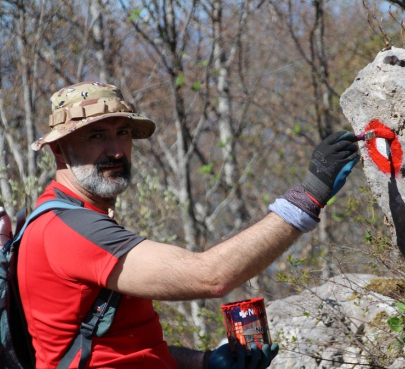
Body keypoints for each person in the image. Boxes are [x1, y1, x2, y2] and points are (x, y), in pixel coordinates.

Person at [18, 82, 360, 368]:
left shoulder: (76, 217)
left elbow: (124, 346)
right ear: (60, 150)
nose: (117, 150)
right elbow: (209, 276)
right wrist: (310, 194)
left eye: (122, 133)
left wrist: (203, 361)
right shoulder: (70, 230)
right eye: (95, 136)